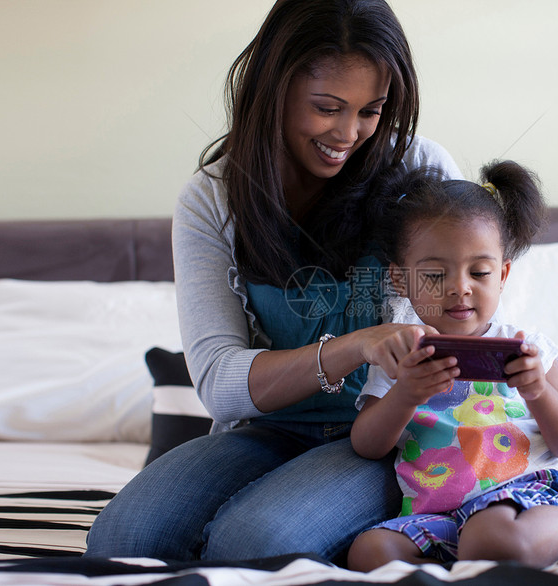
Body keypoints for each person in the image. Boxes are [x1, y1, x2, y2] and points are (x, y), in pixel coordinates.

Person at [84, 0, 462, 563]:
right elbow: (218, 379)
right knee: (122, 541)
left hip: (387, 433)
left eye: (372, 110)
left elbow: (465, 318)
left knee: (253, 546)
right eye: (327, 108)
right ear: (274, 89)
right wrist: (350, 348)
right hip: (267, 430)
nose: (349, 132)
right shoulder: (213, 198)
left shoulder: (421, 174)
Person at [346, 161, 558, 570]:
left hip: (521, 498)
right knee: (370, 552)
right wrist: (406, 392)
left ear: (502, 274)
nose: (459, 287)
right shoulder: (399, 353)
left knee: (491, 536)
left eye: (479, 271)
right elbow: (367, 444)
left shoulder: (528, 350)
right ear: (401, 279)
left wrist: (538, 392)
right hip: (438, 513)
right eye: (433, 274)